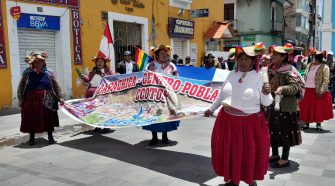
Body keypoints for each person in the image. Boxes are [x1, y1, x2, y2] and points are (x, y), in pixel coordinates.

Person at [204, 44, 272, 186]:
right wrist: (211, 109)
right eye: (240, 58)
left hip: (249, 123)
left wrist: (266, 93)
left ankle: (250, 180)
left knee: (248, 154)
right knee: (229, 152)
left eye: (247, 59)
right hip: (227, 121)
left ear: (254, 60)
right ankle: (233, 180)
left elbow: (266, 103)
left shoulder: (259, 76)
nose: (243, 61)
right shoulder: (231, 74)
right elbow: (221, 95)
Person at [267, 43, 303, 168]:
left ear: (283, 57)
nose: (273, 56)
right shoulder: (271, 68)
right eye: (273, 53)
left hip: (286, 107)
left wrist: (282, 88)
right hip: (273, 105)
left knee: (285, 132)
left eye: (276, 54)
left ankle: (285, 159)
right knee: (273, 131)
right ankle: (275, 154)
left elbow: (295, 87)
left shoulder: (289, 69)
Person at [17, 51, 64, 145]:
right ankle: (31, 138)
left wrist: (60, 97)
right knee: (32, 117)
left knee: (48, 118)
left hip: (46, 99)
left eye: (40, 62)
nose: (38, 64)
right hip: (31, 100)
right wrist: (20, 98)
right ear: (32, 63)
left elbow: (56, 85)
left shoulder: (48, 72)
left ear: (44, 62)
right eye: (35, 62)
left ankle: (50, 137)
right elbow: (21, 85)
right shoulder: (27, 72)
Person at [143, 45, 180, 146]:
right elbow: (144, 77)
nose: (164, 55)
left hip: (167, 96)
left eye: (165, 54)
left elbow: (177, 79)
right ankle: (154, 137)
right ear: (157, 55)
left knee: (166, 115)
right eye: (162, 53)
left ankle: (165, 136)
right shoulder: (150, 65)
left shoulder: (171, 65)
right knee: (153, 115)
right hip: (153, 96)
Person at [299, 49, 333, 131]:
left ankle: (318, 124)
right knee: (307, 107)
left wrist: (321, 91)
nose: (312, 58)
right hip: (308, 89)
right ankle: (306, 123)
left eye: (313, 57)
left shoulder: (324, 67)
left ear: (318, 58)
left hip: (317, 90)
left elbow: (325, 80)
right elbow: (305, 75)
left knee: (318, 108)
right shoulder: (309, 65)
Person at [80, 55, 114, 133]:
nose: (99, 63)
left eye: (101, 61)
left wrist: (102, 74)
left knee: (104, 109)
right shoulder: (93, 71)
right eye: (98, 61)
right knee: (95, 110)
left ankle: (106, 126)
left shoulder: (108, 71)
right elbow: (88, 79)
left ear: (104, 63)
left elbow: (112, 79)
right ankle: (97, 126)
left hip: (103, 92)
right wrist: (84, 77)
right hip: (92, 92)